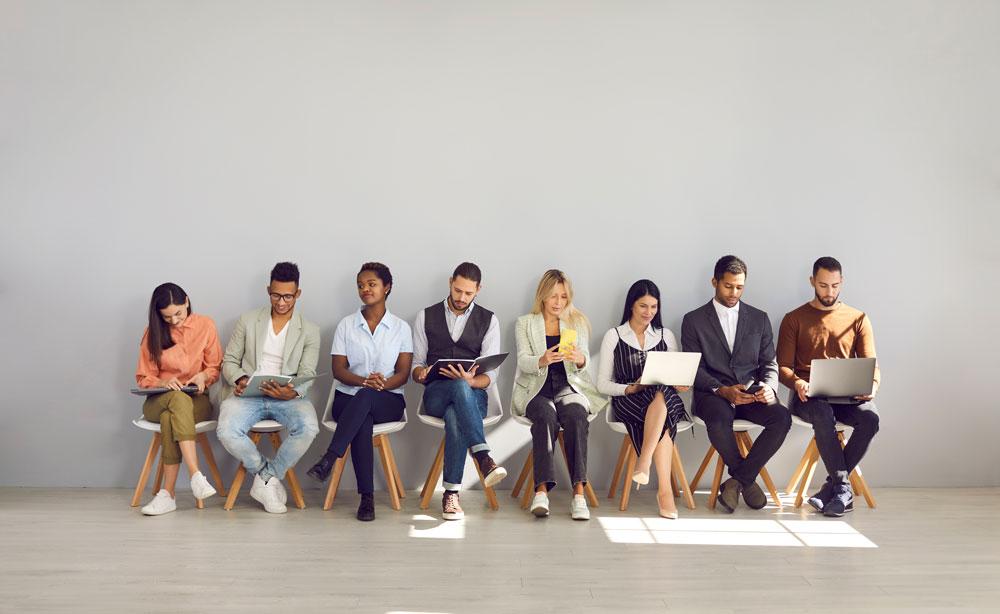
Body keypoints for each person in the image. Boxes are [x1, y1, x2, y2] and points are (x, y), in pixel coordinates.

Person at [681, 255, 791, 513]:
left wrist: (769, 388)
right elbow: (694, 367)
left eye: (739, 287)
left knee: (782, 418)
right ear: (714, 282)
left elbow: (770, 363)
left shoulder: (759, 318)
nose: (734, 292)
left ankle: (737, 481)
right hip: (713, 394)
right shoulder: (693, 320)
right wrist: (721, 390)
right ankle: (747, 480)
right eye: (728, 286)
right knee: (719, 419)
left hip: (751, 393)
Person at [306, 263, 412, 521]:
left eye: (371, 284)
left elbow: (403, 374)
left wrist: (380, 385)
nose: (365, 289)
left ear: (387, 287)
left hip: (388, 400)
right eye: (361, 285)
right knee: (361, 414)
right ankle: (367, 499)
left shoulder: (401, 328)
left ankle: (330, 458)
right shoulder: (346, 326)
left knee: (364, 399)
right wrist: (365, 381)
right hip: (347, 398)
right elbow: (338, 370)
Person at [777, 256, 881, 517]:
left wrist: (873, 385)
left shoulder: (858, 318)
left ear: (842, 282)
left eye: (835, 286)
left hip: (846, 397)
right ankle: (843, 489)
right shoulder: (793, 319)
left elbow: (873, 365)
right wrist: (798, 382)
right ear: (812, 281)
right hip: (808, 398)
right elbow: (783, 368)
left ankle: (831, 488)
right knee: (823, 412)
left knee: (871, 418)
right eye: (823, 285)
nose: (829, 292)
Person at [217, 262, 321, 514]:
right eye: (276, 295)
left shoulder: (310, 330)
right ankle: (266, 476)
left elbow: (307, 375)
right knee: (226, 430)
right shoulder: (248, 320)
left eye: (288, 296)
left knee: (309, 427)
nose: (281, 301)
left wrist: (293, 392)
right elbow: (229, 361)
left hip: (287, 397)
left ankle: (266, 478)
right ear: (268, 290)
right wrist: (241, 379)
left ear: (298, 294)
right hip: (248, 394)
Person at [412, 262, 507, 521]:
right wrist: (420, 372)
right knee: (455, 388)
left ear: (478, 290)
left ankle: (450, 493)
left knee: (456, 412)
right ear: (450, 282)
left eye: (468, 293)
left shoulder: (489, 320)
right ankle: (484, 456)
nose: (461, 297)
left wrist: (471, 381)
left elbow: (492, 374)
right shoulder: (425, 316)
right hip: (435, 395)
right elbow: (416, 365)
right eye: (457, 290)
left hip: (473, 395)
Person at [512, 270, 607, 520]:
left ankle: (579, 494)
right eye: (553, 296)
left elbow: (584, 361)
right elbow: (523, 361)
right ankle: (541, 492)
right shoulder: (525, 323)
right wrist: (542, 359)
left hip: (568, 385)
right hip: (537, 389)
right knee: (545, 416)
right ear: (542, 296)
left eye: (563, 297)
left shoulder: (575, 322)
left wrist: (580, 359)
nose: (558, 302)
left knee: (577, 414)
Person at [597, 279, 690, 519]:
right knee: (664, 420)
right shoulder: (614, 336)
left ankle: (644, 461)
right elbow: (602, 383)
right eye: (643, 306)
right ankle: (665, 492)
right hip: (630, 400)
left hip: (666, 398)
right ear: (631, 306)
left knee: (662, 392)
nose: (649, 313)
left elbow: (676, 376)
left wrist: (681, 384)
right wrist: (631, 388)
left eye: (653, 307)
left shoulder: (665, 335)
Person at [134, 283, 222, 516]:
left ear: (187, 302)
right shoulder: (152, 333)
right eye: (167, 317)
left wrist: (204, 375)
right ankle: (195, 475)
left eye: (178, 314)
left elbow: (215, 367)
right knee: (175, 400)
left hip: (196, 400)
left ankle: (168, 494)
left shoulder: (206, 325)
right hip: (158, 400)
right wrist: (162, 382)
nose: (174, 321)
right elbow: (143, 377)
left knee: (171, 415)